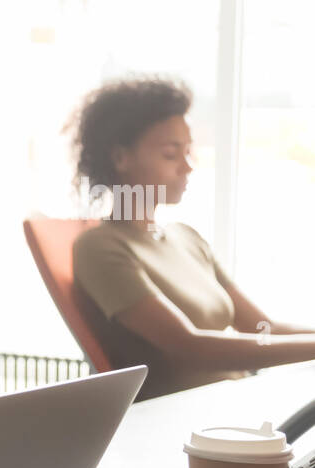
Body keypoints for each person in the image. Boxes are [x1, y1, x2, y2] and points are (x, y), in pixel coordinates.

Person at [70, 77, 315, 401]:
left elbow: (260, 328)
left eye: (188, 151)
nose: (187, 167)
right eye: (171, 155)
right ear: (120, 158)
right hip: (188, 427)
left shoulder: (187, 238)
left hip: (240, 405)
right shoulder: (100, 247)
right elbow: (191, 347)